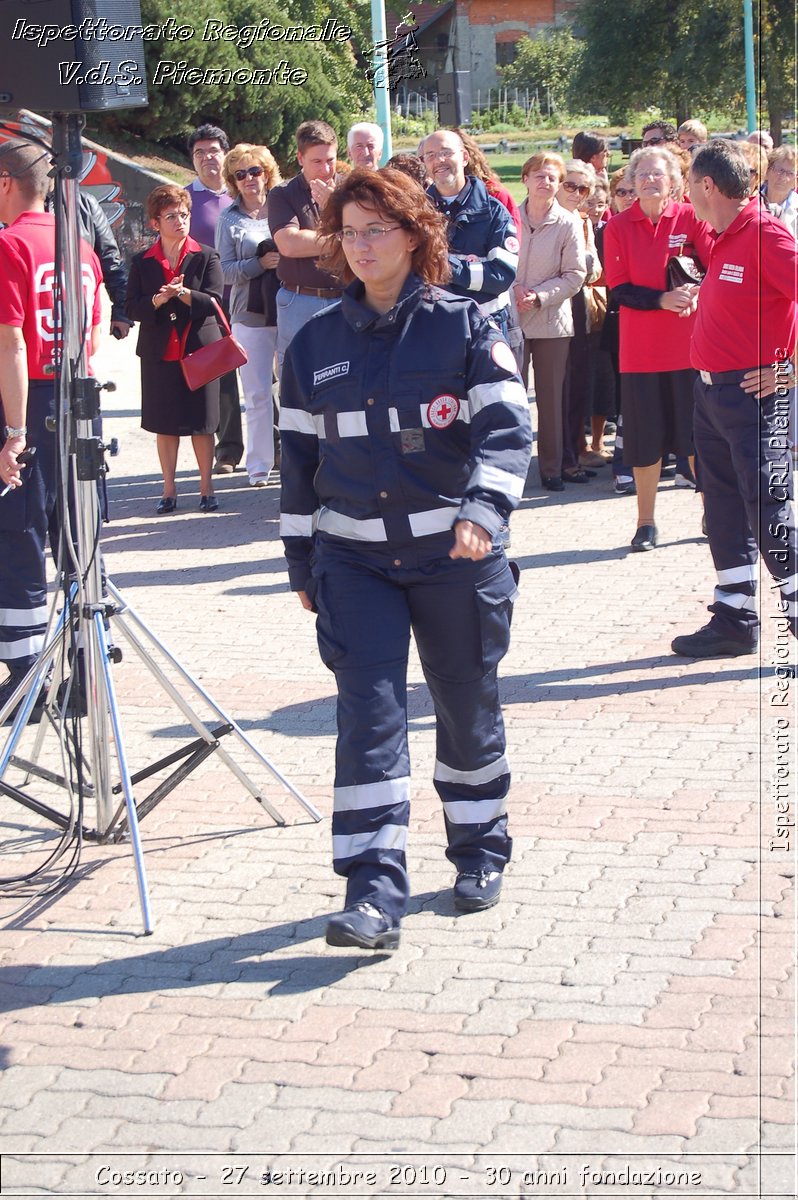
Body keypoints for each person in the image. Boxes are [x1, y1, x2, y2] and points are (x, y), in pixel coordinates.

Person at [279, 167, 532, 950]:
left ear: (415, 233)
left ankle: (480, 850)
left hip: (456, 560)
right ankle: (372, 894)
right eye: (348, 233)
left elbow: (507, 431)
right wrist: (301, 563)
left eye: (375, 230)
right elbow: (293, 462)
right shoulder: (312, 344)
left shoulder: (464, 324)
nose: (360, 246)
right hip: (355, 565)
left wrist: (483, 514)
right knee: (369, 720)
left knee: (465, 706)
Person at [671, 140, 797, 657]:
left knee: (768, 506)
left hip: (755, 396)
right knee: (721, 509)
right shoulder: (725, 234)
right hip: (714, 393)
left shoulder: (766, 233)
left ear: (707, 186)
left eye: (689, 185)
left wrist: (789, 367)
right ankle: (736, 615)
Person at [0, 140, 103, 717]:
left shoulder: (9, 244)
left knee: (19, 537)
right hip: (76, 397)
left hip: (30, 398)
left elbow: (11, 341)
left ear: (7, 181)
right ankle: (87, 672)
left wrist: (13, 432)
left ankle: (24, 681)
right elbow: (91, 329)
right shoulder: (78, 246)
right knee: (78, 538)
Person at [603, 145, 714, 550]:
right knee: (644, 442)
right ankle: (645, 522)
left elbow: (715, 266)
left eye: (658, 174)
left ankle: (712, 511)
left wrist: (698, 290)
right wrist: (661, 300)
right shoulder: (617, 226)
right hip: (640, 355)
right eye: (643, 174)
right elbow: (618, 287)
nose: (650, 180)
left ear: (674, 182)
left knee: (698, 439)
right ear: (631, 182)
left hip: (691, 351)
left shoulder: (691, 217)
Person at [125, 185, 224, 514]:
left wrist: (183, 295)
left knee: (202, 423)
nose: (180, 221)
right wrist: (158, 299)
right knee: (164, 423)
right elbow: (132, 307)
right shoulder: (142, 261)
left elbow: (214, 301)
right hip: (159, 351)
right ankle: (168, 491)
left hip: (199, 350)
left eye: (184, 215)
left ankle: (206, 488)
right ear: (155, 222)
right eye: (171, 216)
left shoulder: (206, 255)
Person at [513, 151, 586, 491]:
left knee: (550, 398)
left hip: (551, 321)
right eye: (538, 175)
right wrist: (513, 291)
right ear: (525, 179)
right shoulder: (508, 216)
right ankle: (510, 465)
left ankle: (551, 468)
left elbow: (575, 275)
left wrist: (539, 295)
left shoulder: (569, 222)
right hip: (511, 318)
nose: (545, 182)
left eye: (552, 178)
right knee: (510, 396)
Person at [216, 144, 282, 488]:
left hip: (289, 305)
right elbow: (224, 271)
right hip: (249, 313)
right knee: (256, 394)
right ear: (232, 180)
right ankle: (259, 464)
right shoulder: (228, 218)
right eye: (240, 174)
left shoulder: (284, 205)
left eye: (254, 171)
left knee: (296, 391)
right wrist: (260, 264)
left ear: (266, 172)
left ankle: (303, 458)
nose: (249, 179)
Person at [421, 129, 519, 340]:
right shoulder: (416, 214)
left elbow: (501, 276)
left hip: (484, 327)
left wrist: (445, 266)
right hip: (433, 327)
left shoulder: (494, 213)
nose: (439, 160)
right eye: (430, 155)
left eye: (446, 152)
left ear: (465, 157)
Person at [186, 123, 243, 476]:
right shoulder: (186, 200)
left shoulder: (242, 193)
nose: (208, 158)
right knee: (221, 380)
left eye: (213, 151)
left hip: (249, 299)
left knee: (265, 379)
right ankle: (229, 449)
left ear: (225, 154)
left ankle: (276, 444)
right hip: (211, 304)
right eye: (199, 153)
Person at [268, 120, 344, 372]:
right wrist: (345, 239)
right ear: (300, 158)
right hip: (299, 299)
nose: (326, 169)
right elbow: (289, 244)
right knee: (296, 380)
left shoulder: (349, 189)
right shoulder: (283, 194)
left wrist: (334, 206)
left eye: (330, 160)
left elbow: (369, 235)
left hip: (345, 299)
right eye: (317, 162)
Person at [557, 159, 604, 482]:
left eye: (583, 188)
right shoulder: (547, 217)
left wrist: (585, 265)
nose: (576, 193)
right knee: (559, 387)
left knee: (579, 385)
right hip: (555, 306)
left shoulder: (583, 221)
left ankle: (576, 447)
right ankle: (561, 456)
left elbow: (596, 269)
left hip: (582, 306)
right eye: (570, 185)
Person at [762, 144, 797, 239]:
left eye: (790, 173)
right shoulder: (751, 203)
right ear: (766, 172)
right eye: (779, 170)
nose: (783, 177)